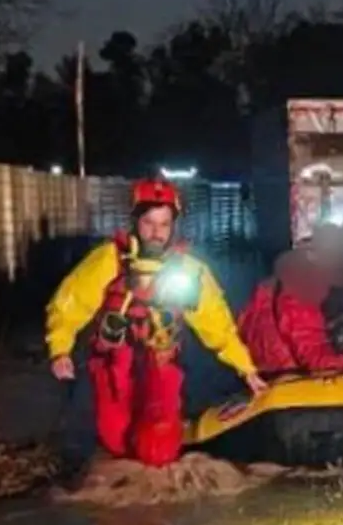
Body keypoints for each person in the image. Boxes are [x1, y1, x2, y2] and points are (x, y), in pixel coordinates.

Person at [45, 178, 266, 483]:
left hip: (161, 359)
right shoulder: (108, 260)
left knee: (158, 442)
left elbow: (217, 323)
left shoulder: (189, 270)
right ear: (135, 222)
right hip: (113, 362)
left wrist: (246, 368)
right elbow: (69, 304)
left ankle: (155, 481)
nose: (156, 233)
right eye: (149, 223)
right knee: (116, 439)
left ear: (173, 226)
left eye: (164, 224)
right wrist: (60, 349)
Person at [237, 248, 343, 376]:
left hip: (268, 387)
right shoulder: (299, 300)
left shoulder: (262, 295)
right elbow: (315, 360)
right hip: (298, 388)